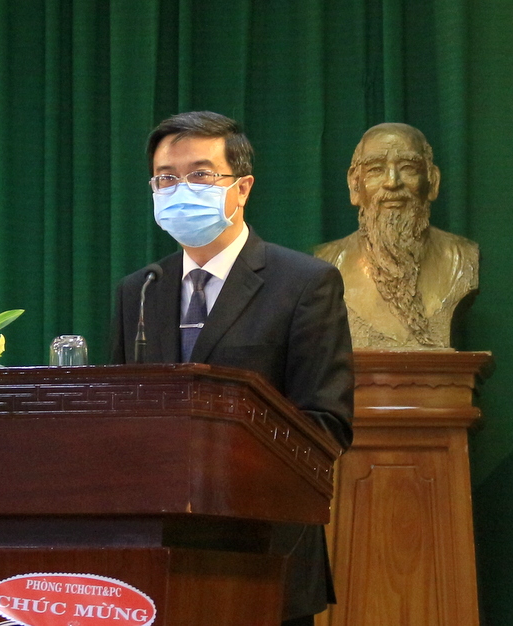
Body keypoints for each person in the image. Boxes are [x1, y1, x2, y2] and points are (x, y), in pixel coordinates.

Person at [110, 111, 354, 624]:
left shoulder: (304, 284)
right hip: (155, 554)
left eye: (200, 175)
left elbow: (325, 424)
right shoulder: (141, 289)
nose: (180, 190)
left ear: (242, 188)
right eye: (166, 179)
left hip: (265, 551)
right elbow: (117, 414)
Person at [315, 123, 479, 349]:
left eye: (408, 168)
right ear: (355, 185)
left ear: (432, 181)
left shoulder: (463, 260)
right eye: (375, 169)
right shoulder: (327, 265)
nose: (392, 182)